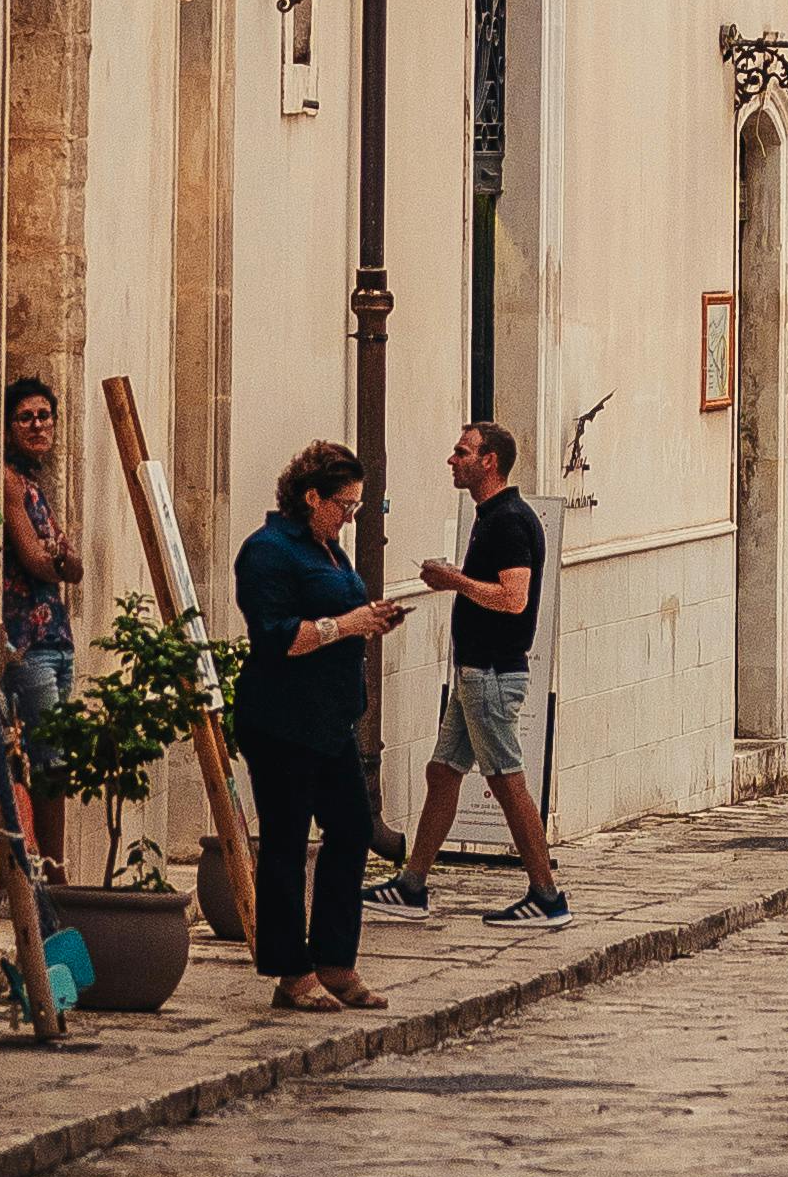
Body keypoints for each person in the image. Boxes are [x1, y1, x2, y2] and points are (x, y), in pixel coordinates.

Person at [232, 441, 406, 1012]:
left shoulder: (331, 551)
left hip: (330, 719)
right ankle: (291, 972)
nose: (350, 518)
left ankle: (335, 960)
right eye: (345, 506)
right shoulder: (268, 552)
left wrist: (369, 620)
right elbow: (278, 636)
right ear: (312, 496)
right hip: (282, 719)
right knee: (285, 842)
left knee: (352, 831)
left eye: (357, 508)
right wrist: (346, 624)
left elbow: (339, 616)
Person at [390, 421, 565, 927]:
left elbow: (514, 599)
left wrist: (453, 581)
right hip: (475, 674)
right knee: (443, 772)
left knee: (507, 780)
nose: (452, 459)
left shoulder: (509, 520)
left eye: (462, 452)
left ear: (489, 461)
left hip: (490, 674)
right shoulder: (490, 516)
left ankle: (547, 895)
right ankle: (411, 885)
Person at [0, 373, 79, 861]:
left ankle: (51, 862)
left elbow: (75, 566)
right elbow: (36, 558)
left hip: (56, 639)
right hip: (27, 644)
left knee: (55, 759)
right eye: (26, 416)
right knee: (50, 762)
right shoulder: (7, 479)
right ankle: (53, 867)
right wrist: (56, 558)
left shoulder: (34, 486)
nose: (38, 424)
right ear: (8, 428)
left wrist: (59, 558)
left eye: (45, 415)